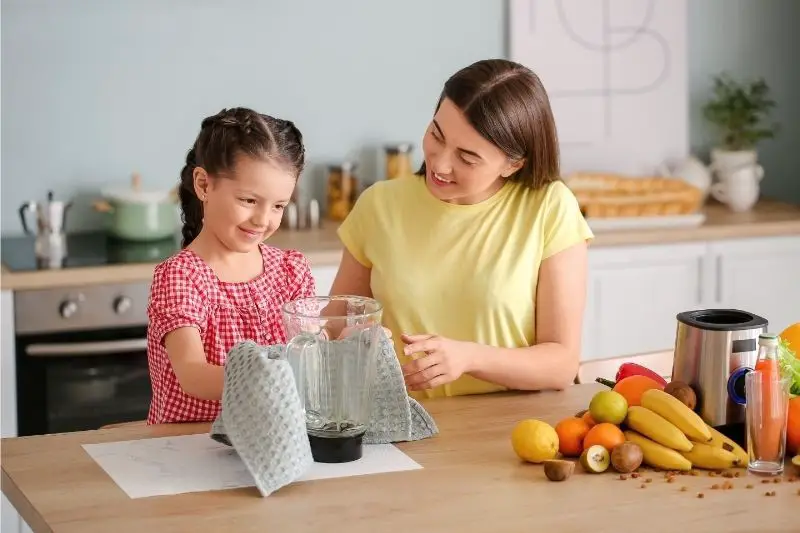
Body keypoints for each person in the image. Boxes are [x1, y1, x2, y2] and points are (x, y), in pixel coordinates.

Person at [331, 59, 594, 400]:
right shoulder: (379, 206)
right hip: (398, 425)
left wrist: (469, 357)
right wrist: (350, 337)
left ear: (514, 164)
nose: (439, 164)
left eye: (467, 158)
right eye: (436, 135)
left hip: (509, 433)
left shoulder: (549, 208)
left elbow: (561, 364)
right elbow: (333, 325)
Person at [146, 107, 315, 424]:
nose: (263, 220)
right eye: (249, 201)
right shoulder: (181, 277)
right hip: (189, 449)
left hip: (273, 443)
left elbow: (309, 351)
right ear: (204, 185)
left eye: (278, 206)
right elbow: (193, 375)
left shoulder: (292, 271)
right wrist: (270, 378)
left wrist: (350, 338)